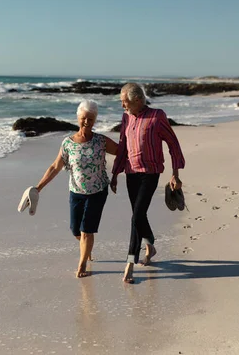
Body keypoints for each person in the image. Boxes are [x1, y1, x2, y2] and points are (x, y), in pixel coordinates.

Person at [110, 83, 185, 284]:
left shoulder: (157, 116)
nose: (122, 106)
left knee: (136, 217)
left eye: (124, 102)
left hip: (150, 174)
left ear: (137, 100)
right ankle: (150, 245)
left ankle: (130, 263)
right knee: (139, 215)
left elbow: (173, 143)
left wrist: (175, 173)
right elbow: (123, 146)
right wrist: (116, 172)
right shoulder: (126, 117)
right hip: (130, 172)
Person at [36, 100, 118, 278]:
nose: (87, 122)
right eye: (84, 118)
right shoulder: (68, 143)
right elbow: (55, 167)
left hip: (97, 191)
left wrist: (116, 176)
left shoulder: (101, 141)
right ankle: (85, 249)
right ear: (78, 118)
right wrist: (38, 187)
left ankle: (82, 264)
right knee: (75, 229)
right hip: (76, 192)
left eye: (91, 118)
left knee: (87, 229)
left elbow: (122, 152)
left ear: (95, 120)